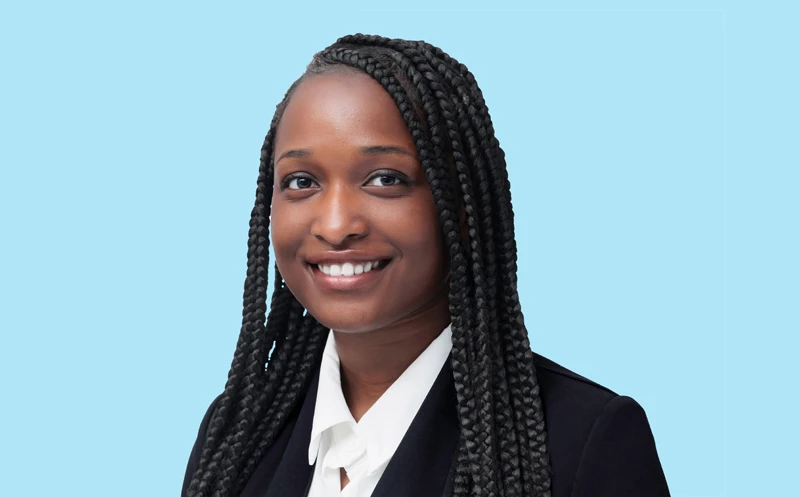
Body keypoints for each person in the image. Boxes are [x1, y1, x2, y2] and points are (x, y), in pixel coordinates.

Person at [182, 33, 670, 497]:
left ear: (461, 207)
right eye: (302, 181)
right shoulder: (237, 436)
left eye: (385, 179)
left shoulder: (583, 442)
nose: (335, 226)